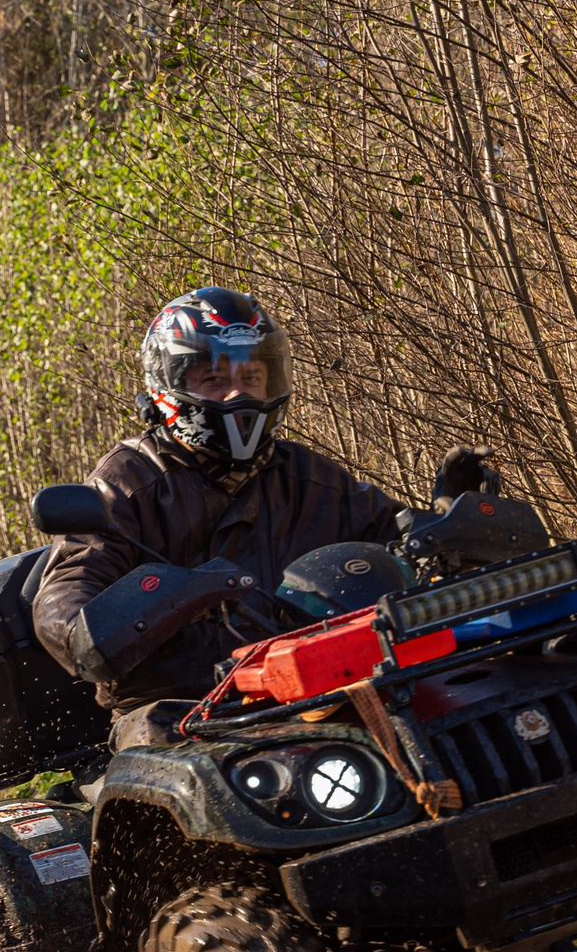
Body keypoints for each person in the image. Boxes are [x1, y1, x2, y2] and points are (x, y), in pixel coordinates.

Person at [33, 285, 490, 748]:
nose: (238, 394)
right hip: (177, 705)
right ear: (169, 387)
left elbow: (389, 535)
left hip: (311, 681)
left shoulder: (305, 474)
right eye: (213, 380)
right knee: (188, 767)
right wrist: (118, 617)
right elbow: (67, 593)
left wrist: (446, 524)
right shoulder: (129, 482)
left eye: (251, 378)